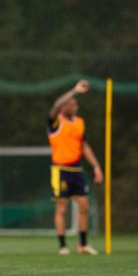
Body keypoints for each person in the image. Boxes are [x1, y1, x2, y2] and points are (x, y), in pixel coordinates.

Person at [47, 80, 103, 255]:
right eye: (71, 103)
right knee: (62, 208)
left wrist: (96, 166)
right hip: (60, 170)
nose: (75, 106)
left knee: (84, 205)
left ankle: (83, 244)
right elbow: (56, 104)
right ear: (64, 107)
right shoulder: (55, 122)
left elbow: (84, 146)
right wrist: (74, 91)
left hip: (77, 169)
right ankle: (63, 246)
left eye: (76, 103)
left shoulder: (80, 122)